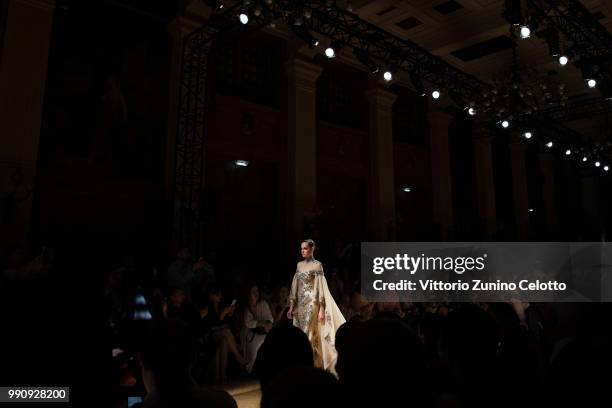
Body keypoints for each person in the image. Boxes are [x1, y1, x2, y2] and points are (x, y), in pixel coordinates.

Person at [286, 239, 346, 372]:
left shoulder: (317, 265)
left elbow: (321, 287)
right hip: (301, 304)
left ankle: (310, 365)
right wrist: (291, 305)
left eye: (305, 248)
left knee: (309, 332)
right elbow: (295, 286)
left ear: (312, 249)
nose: (302, 251)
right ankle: (306, 363)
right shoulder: (299, 265)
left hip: (313, 303)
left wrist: (322, 308)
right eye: (301, 249)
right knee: (302, 333)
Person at [240, 285, 273, 373]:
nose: (256, 293)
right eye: (253, 291)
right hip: (249, 334)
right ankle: (251, 368)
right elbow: (248, 323)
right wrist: (261, 324)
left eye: (257, 291)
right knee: (257, 342)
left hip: (263, 333)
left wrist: (267, 324)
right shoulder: (246, 307)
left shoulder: (263, 304)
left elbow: (269, 318)